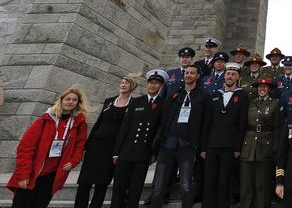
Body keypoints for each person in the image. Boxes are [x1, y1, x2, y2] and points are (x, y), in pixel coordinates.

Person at [8, 86, 88, 208]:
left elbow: (80, 145)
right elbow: (25, 147)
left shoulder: (79, 123)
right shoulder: (45, 119)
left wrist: (73, 161)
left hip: (54, 174)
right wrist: (23, 174)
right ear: (61, 100)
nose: (71, 101)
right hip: (33, 171)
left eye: (74, 100)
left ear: (78, 103)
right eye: (68, 99)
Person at [75, 76, 137, 208]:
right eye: (122, 82)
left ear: (132, 87)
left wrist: (120, 151)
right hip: (96, 146)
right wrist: (86, 146)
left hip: (112, 148)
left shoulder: (134, 104)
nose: (123, 85)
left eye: (127, 83)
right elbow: (98, 123)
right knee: (85, 182)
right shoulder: (109, 101)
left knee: (101, 183)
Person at [150, 64, 205, 208]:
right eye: (186, 73)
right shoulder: (174, 94)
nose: (188, 75)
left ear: (197, 76)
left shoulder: (203, 96)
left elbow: (204, 123)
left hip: (187, 145)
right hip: (168, 143)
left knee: (186, 185)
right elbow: (164, 119)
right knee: (159, 184)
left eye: (192, 73)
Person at [111, 69, 167, 208]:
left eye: (156, 83)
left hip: (143, 153)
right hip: (126, 151)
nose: (153, 85)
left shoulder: (163, 104)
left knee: (135, 189)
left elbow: (160, 131)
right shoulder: (136, 101)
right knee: (119, 187)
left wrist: (154, 153)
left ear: (161, 86)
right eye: (151, 83)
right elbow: (125, 128)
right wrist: (117, 152)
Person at [201, 62, 248, 208]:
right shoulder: (215, 95)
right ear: (224, 76)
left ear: (238, 77)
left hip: (229, 147)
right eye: (228, 74)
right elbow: (207, 122)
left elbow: (242, 124)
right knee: (209, 181)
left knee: (224, 182)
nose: (230, 76)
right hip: (212, 146)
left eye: (233, 74)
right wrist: (203, 147)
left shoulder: (242, 96)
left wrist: (237, 148)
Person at [240, 78, 280, 208]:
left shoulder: (275, 103)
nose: (262, 89)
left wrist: (274, 148)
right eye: (260, 87)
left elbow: (277, 128)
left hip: (265, 145)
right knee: (246, 184)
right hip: (248, 146)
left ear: (269, 89)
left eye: (265, 87)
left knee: (261, 184)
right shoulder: (250, 102)